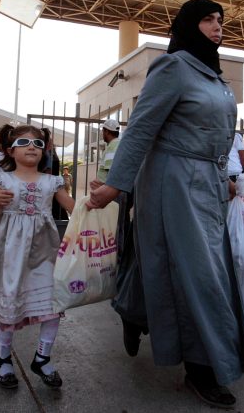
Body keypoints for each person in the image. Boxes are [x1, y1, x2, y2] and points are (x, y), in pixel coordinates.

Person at [88, 0, 244, 409]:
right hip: (172, 181)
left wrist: (227, 179)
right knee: (201, 273)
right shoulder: (173, 66)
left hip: (207, 184)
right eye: (208, 20)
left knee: (165, 262)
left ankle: (132, 310)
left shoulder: (213, 75)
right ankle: (202, 369)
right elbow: (141, 130)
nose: (217, 28)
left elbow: (218, 136)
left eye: (220, 21)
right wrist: (115, 186)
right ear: (189, 25)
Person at [0, 124, 75, 390]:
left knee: (53, 305)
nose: (32, 147)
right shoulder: (1, 180)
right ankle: (3, 359)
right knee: (9, 305)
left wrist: (97, 199)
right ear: (10, 150)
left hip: (44, 254)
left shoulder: (52, 182)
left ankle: (42, 357)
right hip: (10, 256)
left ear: (44, 151)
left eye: (38, 144)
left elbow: (75, 209)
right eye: (25, 143)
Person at [90, 118, 147, 357]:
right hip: (138, 197)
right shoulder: (135, 140)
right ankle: (132, 317)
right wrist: (111, 189)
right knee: (139, 263)